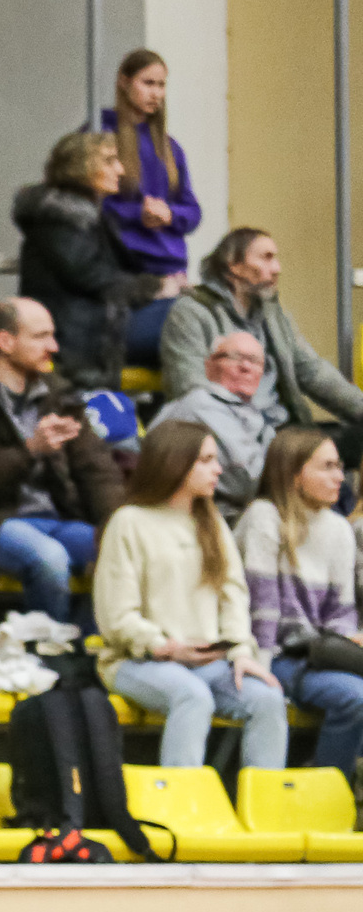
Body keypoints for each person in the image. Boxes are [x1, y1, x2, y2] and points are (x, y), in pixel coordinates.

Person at [96, 420, 286, 771]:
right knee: (192, 697)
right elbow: (116, 615)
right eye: (206, 460)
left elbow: (234, 596)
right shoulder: (129, 522)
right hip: (139, 661)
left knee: (268, 699)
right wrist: (163, 646)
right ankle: (181, 808)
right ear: (175, 463)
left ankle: (264, 811)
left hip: (209, 662)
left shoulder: (211, 521)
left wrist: (241, 652)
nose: (218, 469)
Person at [0, 298, 123, 624]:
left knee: (123, 552)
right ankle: (46, 658)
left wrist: (119, 526)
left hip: (60, 518)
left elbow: (98, 471)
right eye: (41, 337)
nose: (54, 346)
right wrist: (30, 450)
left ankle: (83, 647)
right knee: (50, 559)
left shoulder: (60, 396)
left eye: (53, 336)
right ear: (5, 341)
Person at [161, 229, 363, 471]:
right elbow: (189, 386)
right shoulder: (191, 312)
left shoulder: (271, 311)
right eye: (267, 257)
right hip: (233, 435)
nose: (277, 268)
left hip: (284, 429)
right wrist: (250, 434)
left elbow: (312, 371)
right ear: (234, 265)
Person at [241, 427, 363, 776]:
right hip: (273, 655)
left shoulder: (339, 529)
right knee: (356, 698)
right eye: (327, 467)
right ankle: (323, 797)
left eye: (340, 466)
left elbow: (340, 612)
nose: (340, 476)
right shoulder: (264, 517)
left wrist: (348, 641)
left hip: (316, 654)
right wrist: (261, 673)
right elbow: (261, 610)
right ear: (294, 474)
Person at [12, 131, 168, 393]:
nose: (120, 169)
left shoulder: (85, 214)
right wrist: (154, 288)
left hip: (98, 321)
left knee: (195, 314)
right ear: (80, 167)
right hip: (85, 333)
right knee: (184, 314)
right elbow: (89, 275)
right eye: (109, 161)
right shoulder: (60, 217)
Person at [100, 50, 201, 366]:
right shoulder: (101, 135)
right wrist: (138, 214)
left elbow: (192, 211)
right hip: (131, 275)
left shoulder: (170, 149)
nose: (156, 93)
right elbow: (95, 206)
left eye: (161, 85)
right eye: (148, 83)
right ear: (124, 82)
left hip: (173, 271)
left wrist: (170, 215)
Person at [160, 332, 275, 521]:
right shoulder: (201, 404)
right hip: (199, 520)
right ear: (209, 366)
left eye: (254, 361)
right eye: (234, 358)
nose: (246, 367)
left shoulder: (253, 412)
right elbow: (245, 482)